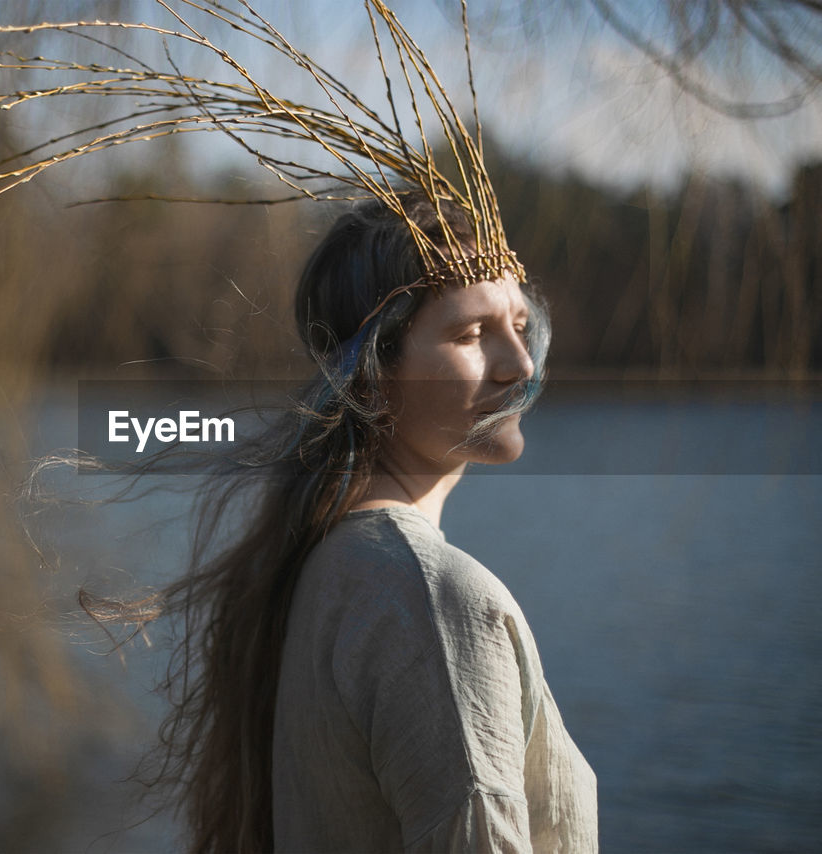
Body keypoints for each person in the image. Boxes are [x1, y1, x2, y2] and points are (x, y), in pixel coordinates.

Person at [105, 192, 598, 853]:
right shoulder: (431, 601)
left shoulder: (332, 564)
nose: (521, 363)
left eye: (518, 323)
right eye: (471, 334)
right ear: (372, 376)